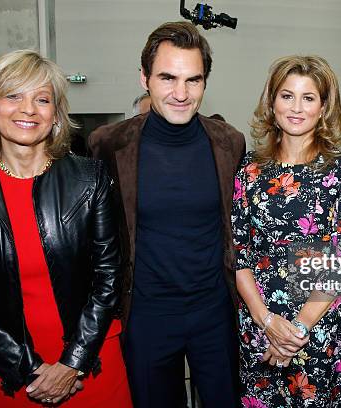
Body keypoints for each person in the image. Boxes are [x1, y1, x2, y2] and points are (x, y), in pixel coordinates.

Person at [0, 50, 132, 407]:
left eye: (42, 99)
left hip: (90, 362)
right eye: (13, 95)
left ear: (55, 116)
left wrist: (71, 364)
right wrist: (30, 371)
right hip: (6, 370)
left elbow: (109, 278)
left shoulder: (91, 179)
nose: (28, 109)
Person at [89, 22, 245, 407]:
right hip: (146, 315)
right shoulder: (109, 144)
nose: (181, 93)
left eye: (193, 80)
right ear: (144, 78)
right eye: (168, 78)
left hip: (215, 312)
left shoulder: (229, 143)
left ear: (205, 82)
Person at [232, 55, 341, 407]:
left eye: (308, 98)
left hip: (319, 331)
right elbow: (238, 254)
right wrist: (267, 322)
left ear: (323, 108)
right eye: (287, 95)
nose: (296, 108)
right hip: (259, 329)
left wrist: (298, 331)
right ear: (272, 102)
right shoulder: (249, 169)